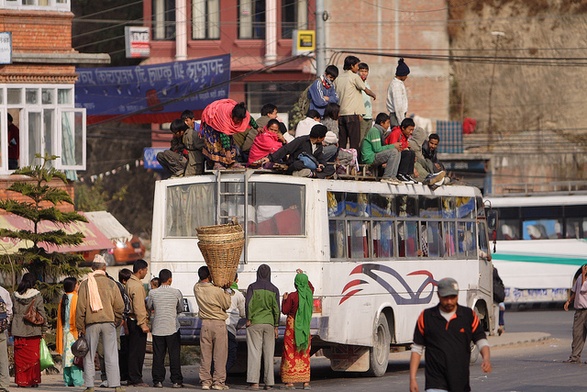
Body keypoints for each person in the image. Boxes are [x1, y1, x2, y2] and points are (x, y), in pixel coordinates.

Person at [409, 277, 491, 392]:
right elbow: (417, 349)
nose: (449, 302)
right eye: (445, 298)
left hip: (460, 382)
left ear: (457, 295)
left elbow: (481, 340)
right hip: (435, 382)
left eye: (453, 297)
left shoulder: (468, 316)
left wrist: (486, 358)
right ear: (438, 295)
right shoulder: (427, 317)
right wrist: (412, 378)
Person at [76, 256, 125, 392]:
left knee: (90, 355)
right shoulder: (111, 283)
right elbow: (120, 306)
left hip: (91, 323)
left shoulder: (86, 284)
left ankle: (90, 386)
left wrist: (80, 326)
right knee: (111, 354)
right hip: (109, 322)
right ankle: (116, 385)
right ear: (104, 268)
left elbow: (80, 307)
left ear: (92, 268)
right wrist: (116, 319)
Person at [193, 266, 231, 390]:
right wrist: (226, 290)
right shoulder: (217, 290)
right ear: (210, 276)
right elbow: (226, 304)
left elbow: (200, 283)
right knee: (220, 355)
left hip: (205, 324)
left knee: (205, 354)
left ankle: (205, 381)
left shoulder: (197, 288)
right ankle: (218, 382)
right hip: (218, 323)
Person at [245, 264, 280, 391]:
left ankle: (254, 383)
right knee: (269, 353)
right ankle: (269, 383)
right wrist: (276, 325)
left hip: (254, 323)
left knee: (255, 352)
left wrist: (248, 318)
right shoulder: (274, 289)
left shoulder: (252, 287)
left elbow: (248, 304)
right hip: (269, 323)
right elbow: (276, 309)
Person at [147, 269, 184, 388]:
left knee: (158, 355)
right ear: (170, 279)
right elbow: (181, 308)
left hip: (158, 328)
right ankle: (176, 380)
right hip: (172, 327)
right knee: (174, 355)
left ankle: (158, 380)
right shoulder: (176, 292)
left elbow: (149, 306)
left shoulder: (153, 293)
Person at [259, 124, 336, 179]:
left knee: (331, 169)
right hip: (297, 166)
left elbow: (320, 158)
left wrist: (321, 165)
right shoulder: (301, 140)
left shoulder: (319, 145)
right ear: (319, 137)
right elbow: (286, 149)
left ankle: (312, 174)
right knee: (298, 164)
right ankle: (310, 173)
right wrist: (270, 158)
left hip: (312, 168)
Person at [280, 269, 314, 390]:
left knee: (290, 351)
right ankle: (305, 382)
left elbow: (284, 311)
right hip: (305, 328)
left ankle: (290, 382)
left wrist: (284, 299)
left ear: (295, 284)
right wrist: (303, 276)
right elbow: (311, 287)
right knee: (304, 352)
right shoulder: (309, 295)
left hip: (292, 328)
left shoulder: (292, 296)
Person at [11, 272, 46, 388]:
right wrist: (44, 330)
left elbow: (11, 313)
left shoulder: (14, 296)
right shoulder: (37, 295)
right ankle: (33, 380)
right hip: (33, 331)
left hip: (18, 330)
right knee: (33, 358)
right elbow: (42, 314)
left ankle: (21, 381)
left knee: (20, 358)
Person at [335, 55, 376, 150]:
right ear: (352, 66)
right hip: (352, 115)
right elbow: (365, 89)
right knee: (354, 143)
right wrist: (373, 94)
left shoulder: (338, 78)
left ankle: (342, 162)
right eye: (357, 65)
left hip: (341, 115)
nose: (358, 68)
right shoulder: (354, 77)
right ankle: (354, 164)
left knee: (342, 142)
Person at [200, 99, 251, 169]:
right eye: (237, 119)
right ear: (233, 115)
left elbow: (249, 119)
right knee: (215, 143)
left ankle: (231, 162)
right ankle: (217, 163)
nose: (239, 121)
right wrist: (227, 152)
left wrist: (257, 127)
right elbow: (224, 135)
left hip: (222, 126)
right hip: (211, 122)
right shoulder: (225, 118)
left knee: (231, 143)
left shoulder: (243, 113)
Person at [125, 259, 150, 387]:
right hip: (136, 322)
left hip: (130, 320)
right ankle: (136, 378)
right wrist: (143, 323)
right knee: (137, 352)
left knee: (132, 350)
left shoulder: (130, 282)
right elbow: (139, 306)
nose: (146, 272)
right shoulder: (137, 286)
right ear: (140, 270)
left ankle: (132, 377)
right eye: (145, 270)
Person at [56, 277, 83, 387]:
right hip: (74, 332)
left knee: (66, 359)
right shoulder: (76, 298)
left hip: (65, 332)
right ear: (74, 286)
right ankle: (77, 381)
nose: (78, 286)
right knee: (75, 358)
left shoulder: (63, 298)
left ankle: (67, 381)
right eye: (77, 284)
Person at [360, 112, 401, 184]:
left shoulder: (379, 131)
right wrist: (393, 145)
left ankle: (393, 176)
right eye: (387, 123)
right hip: (370, 157)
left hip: (374, 155)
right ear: (382, 123)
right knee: (393, 151)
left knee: (398, 151)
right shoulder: (374, 131)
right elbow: (377, 149)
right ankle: (387, 177)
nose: (388, 126)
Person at [563, 264, 587, 363]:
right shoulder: (580, 277)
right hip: (579, 311)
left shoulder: (583, 279)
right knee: (577, 334)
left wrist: (584, 275)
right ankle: (575, 357)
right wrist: (569, 301)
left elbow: (583, 287)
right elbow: (575, 291)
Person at [385, 117, 418, 183]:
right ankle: (401, 174)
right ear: (403, 128)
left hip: (399, 153)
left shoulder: (405, 135)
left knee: (412, 153)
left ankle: (407, 174)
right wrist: (405, 147)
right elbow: (393, 147)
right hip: (391, 155)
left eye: (412, 130)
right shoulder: (396, 133)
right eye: (410, 130)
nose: (411, 132)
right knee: (407, 153)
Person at [225, 274, 246, 374]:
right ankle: (221, 376)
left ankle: (213, 376)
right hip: (230, 329)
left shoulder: (220, 291)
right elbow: (243, 314)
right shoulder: (238, 294)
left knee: (217, 354)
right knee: (231, 355)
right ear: (236, 280)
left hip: (218, 326)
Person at [118, 268, 133, 385]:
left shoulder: (124, 289)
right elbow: (124, 312)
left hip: (124, 325)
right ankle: (124, 375)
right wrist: (126, 327)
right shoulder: (122, 291)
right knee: (124, 352)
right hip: (123, 325)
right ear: (124, 280)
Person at [385, 58, 410, 127]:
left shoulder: (398, 84)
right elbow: (398, 105)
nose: (406, 77)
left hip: (399, 115)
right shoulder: (396, 85)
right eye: (406, 75)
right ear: (402, 74)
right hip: (396, 116)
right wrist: (402, 122)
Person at [181, 109, 206, 176]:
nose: (185, 123)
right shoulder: (185, 131)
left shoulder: (200, 129)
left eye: (187, 120)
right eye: (183, 121)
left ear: (193, 120)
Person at [0, 283, 12, 392]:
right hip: (1, 329)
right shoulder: (3, 291)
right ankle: (4, 385)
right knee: (3, 358)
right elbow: (9, 310)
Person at [358, 62, 373, 143]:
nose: (364, 73)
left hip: (369, 116)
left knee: (367, 141)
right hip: (362, 117)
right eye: (362, 71)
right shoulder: (357, 84)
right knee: (360, 140)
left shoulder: (366, 84)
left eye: (366, 71)